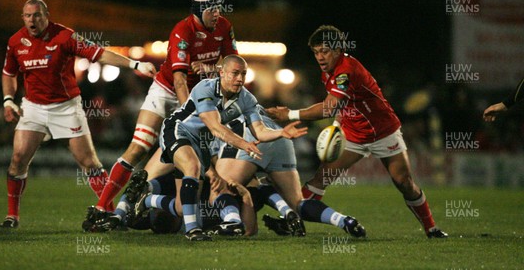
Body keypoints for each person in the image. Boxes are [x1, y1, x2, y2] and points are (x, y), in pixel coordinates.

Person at [267, 25, 448, 238]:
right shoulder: (328, 72)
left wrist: (289, 114)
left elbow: (328, 107)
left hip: (383, 131)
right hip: (353, 135)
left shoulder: (347, 70)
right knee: (321, 179)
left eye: (324, 51)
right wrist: (338, 126)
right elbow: (341, 106)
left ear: (338, 50)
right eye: (316, 52)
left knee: (403, 182)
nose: (320, 57)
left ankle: (431, 228)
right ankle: (292, 221)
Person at [0, 0, 156, 228]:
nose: (33, 20)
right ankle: (12, 216)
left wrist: (134, 64)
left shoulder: (65, 36)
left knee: (89, 163)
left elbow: (99, 53)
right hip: (33, 107)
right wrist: (7, 100)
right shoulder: (15, 42)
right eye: (28, 16)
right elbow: (8, 73)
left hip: (66, 107)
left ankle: (110, 213)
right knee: (17, 159)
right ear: (23, 17)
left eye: (37, 15)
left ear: (47, 15)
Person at [86, 0, 237, 224]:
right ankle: (102, 206)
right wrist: (188, 111)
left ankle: (125, 211)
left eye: (219, 8)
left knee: (174, 163)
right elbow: (178, 79)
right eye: (212, 9)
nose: (217, 13)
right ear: (198, 11)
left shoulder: (224, 27)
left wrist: (212, 70)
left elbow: (233, 66)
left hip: (199, 96)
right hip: (167, 91)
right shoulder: (182, 30)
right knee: (139, 147)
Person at [137, 55, 307, 241]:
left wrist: (280, 133)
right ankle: (192, 230)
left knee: (181, 206)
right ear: (221, 73)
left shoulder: (246, 98)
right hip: (177, 130)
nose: (240, 79)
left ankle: (146, 199)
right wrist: (244, 144)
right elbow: (215, 127)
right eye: (235, 73)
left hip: (203, 143)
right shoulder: (205, 88)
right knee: (192, 167)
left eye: (243, 74)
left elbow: (259, 130)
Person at [212, 105, 366, 238]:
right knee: (297, 203)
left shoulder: (204, 108)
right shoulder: (240, 98)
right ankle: (343, 220)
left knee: (220, 188)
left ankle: (232, 223)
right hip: (280, 136)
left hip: (250, 135)